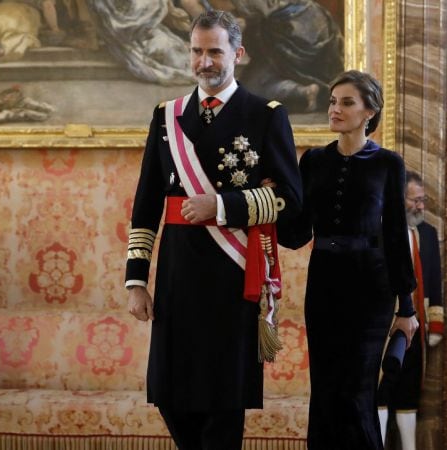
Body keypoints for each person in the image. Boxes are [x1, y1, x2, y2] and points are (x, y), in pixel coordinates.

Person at [125, 9, 301, 449]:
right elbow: (146, 204)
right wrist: (135, 280)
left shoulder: (265, 114)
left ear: (237, 54)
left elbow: (290, 200)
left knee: (223, 404)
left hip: (232, 277)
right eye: (197, 52)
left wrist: (222, 205)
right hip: (177, 279)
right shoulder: (166, 116)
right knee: (172, 396)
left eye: (215, 52)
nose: (205, 62)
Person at [278, 70, 419, 450]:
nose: (335, 109)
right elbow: (296, 235)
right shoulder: (313, 161)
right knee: (325, 393)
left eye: (346, 102)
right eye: (332, 101)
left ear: (369, 111)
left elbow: (395, 236)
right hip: (323, 285)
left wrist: (406, 308)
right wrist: (272, 203)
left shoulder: (389, 164)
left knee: (358, 395)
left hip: (371, 290)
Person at [377, 170, 444, 450]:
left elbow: (434, 280)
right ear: (397, 199)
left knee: (409, 393)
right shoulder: (378, 230)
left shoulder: (427, 233)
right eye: (414, 200)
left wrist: (437, 323)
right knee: (380, 393)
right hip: (385, 328)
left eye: (422, 200)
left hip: (418, 328)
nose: (420, 206)